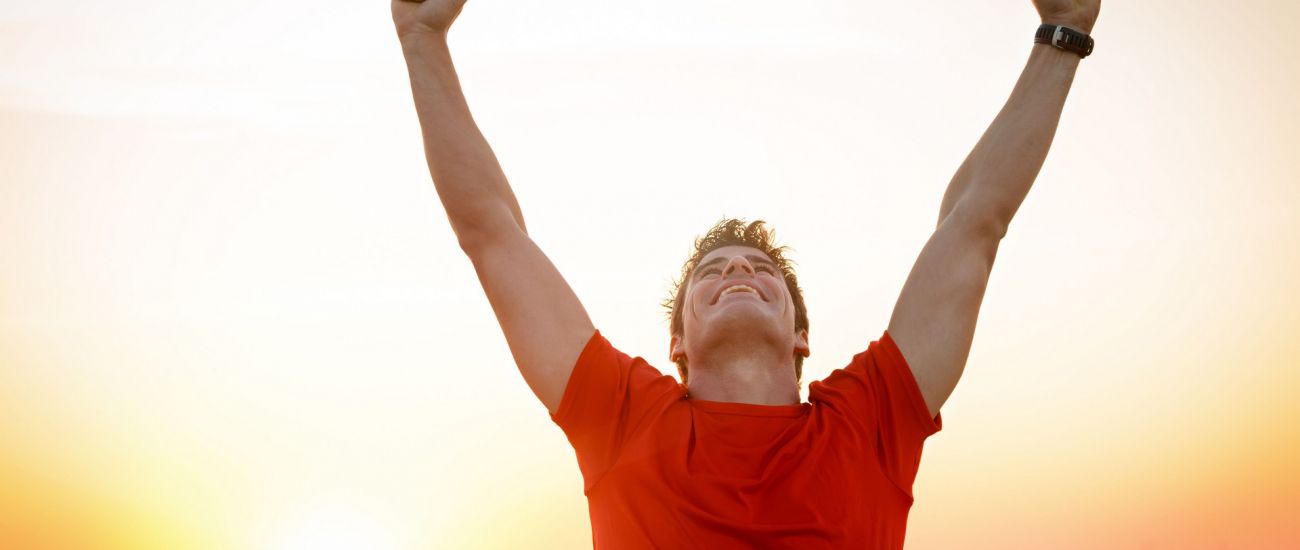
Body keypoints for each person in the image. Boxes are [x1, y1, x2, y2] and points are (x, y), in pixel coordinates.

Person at [391, 0, 1101, 547]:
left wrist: (1063, 35)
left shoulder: (870, 420)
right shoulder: (622, 418)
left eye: (763, 271)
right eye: (714, 272)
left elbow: (975, 223)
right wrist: (422, 39)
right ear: (676, 344)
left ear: (801, 336)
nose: (737, 271)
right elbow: (491, 232)